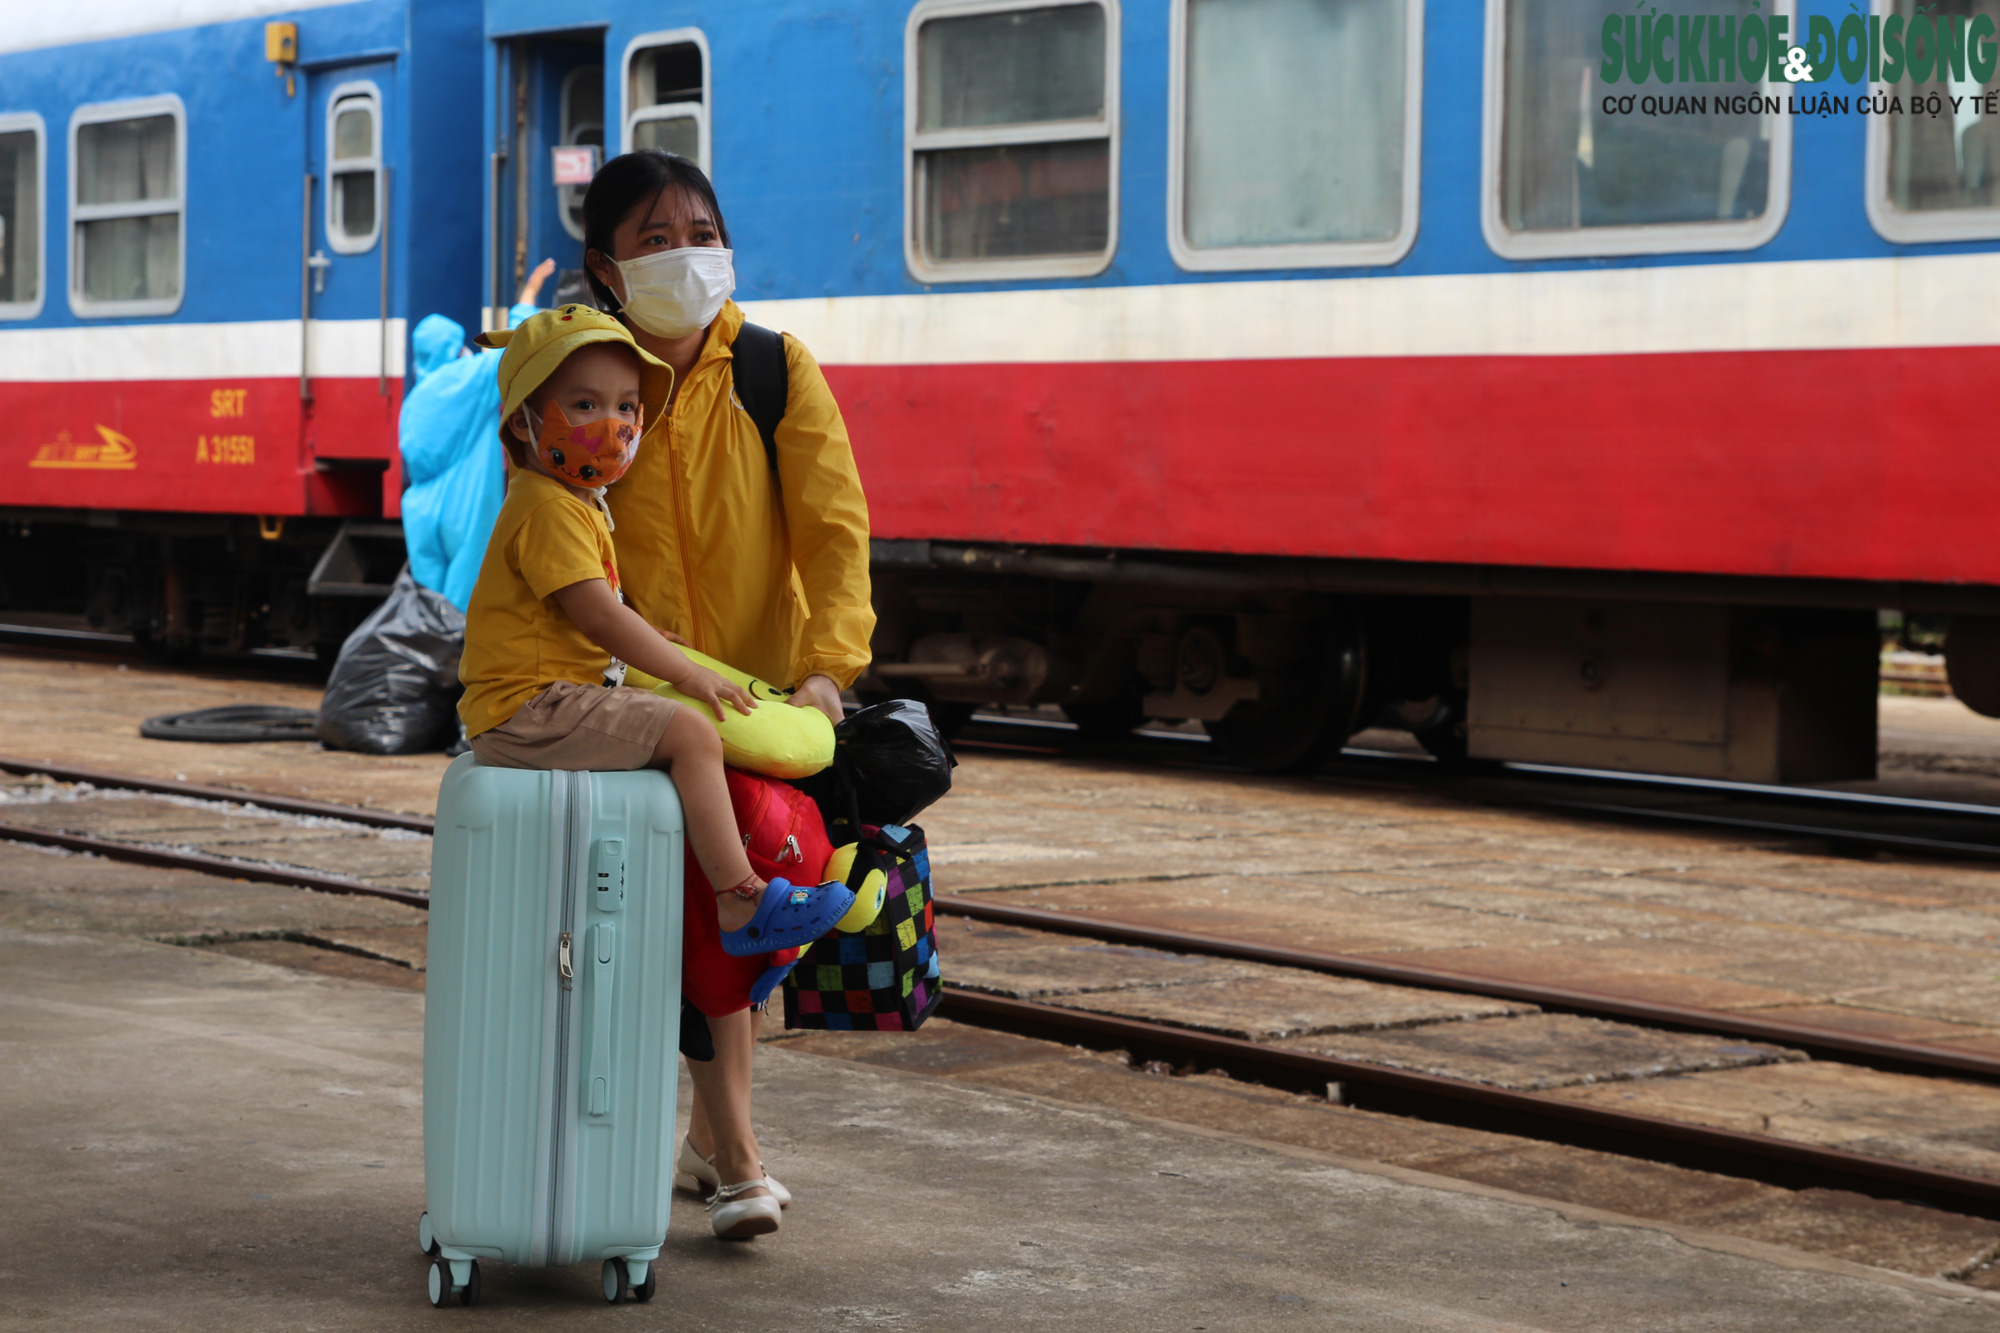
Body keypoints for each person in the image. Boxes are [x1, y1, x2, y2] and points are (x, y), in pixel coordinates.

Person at [454, 306, 857, 1239]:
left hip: (544, 697)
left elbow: (604, 612)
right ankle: (739, 896)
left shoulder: (573, 504)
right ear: (527, 423)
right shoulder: (548, 505)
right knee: (688, 735)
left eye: (628, 405)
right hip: (526, 708)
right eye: (583, 404)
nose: (612, 425)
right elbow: (596, 618)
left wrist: (664, 642)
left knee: (685, 727)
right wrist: (684, 668)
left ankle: (737, 928)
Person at [578, 150, 874, 1239]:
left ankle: (718, 1143)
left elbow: (834, 529)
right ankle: (732, 1150)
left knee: (733, 888)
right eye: (655, 240)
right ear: (603, 267)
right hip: (618, 690)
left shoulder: (771, 367)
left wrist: (826, 668)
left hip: (750, 697)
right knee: (710, 893)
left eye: (701, 232)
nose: (687, 256)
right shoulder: (580, 375)